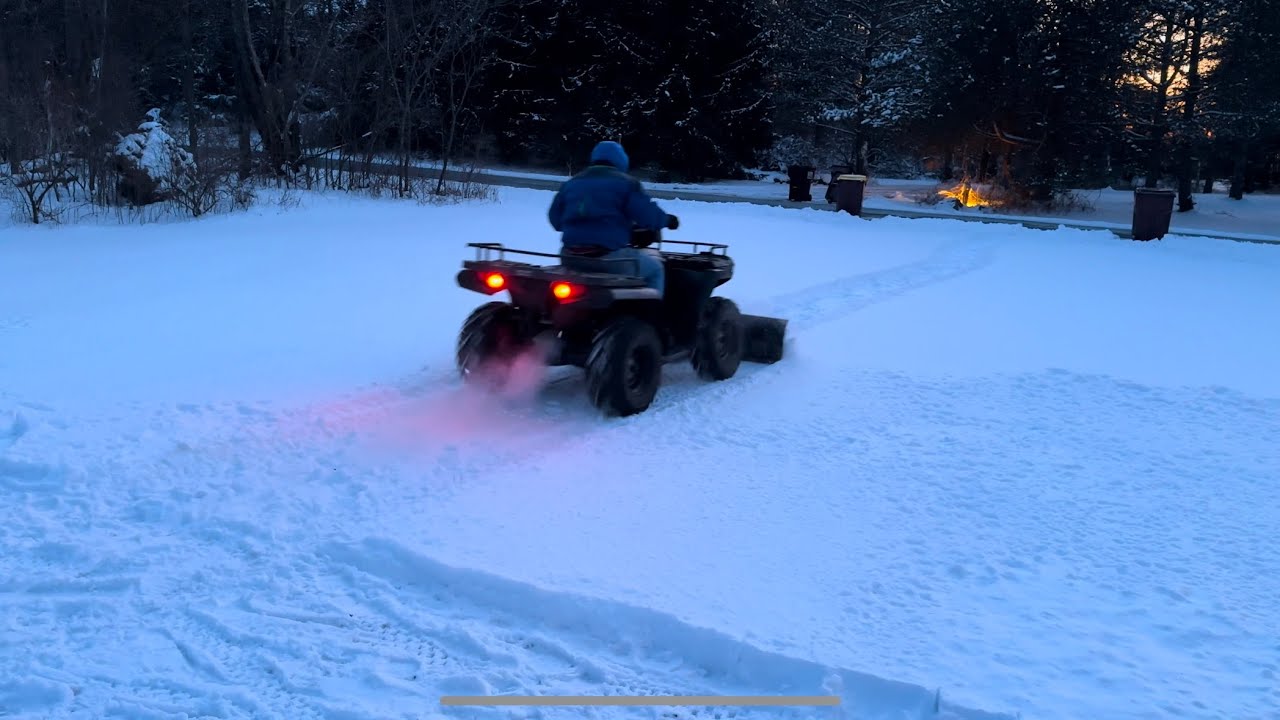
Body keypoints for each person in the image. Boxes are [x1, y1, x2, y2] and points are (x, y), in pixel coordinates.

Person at [548, 140, 679, 295]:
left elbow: (555, 219)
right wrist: (668, 220)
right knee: (655, 270)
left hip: (571, 257)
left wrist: (579, 225)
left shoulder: (572, 183)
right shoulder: (627, 184)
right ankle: (650, 316)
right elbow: (648, 216)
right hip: (609, 259)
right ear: (621, 160)